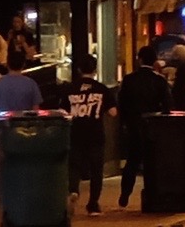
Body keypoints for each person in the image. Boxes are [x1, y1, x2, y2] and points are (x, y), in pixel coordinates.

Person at [116, 46, 170, 206]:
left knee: (132, 162)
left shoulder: (129, 80)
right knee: (152, 163)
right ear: (154, 61)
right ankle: (152, 194)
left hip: (134, 126)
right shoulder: (159, 80)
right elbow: (168, 104)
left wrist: (125, 123)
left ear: (139, 59)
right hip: (154, 128)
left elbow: (122, 103)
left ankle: (125, 193)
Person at [63, 58, 111, 211]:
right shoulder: (102, 89)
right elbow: (113, 112)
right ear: (95, 70)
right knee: (96, 170)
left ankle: (73, 190)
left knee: (74, 166)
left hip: (75, 132)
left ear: (78, 70)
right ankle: (93, 204)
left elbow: (63, 111)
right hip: (95, 134)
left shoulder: (70, 89)